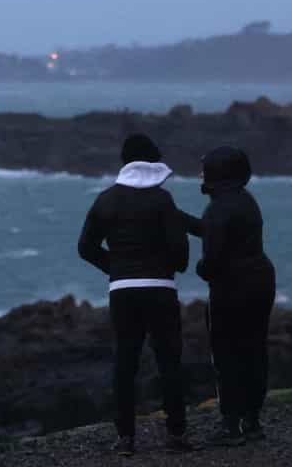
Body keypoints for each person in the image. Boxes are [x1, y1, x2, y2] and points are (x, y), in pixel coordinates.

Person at [77, 133, 195, 456]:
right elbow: (179, 248)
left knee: (125, 364)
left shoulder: (106, 200)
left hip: (123, 291)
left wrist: (115, 268)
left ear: (124, 161)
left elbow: (85, 248)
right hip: (160, 289)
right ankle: (176, 434)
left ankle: (126, 438)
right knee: (169, 362)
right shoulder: (163, 201)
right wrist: (172, 267)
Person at [182, 147, 275, 447]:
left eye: (205, 169)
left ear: (218, 174)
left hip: (231, 288)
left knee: (226, 356)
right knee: (254, 352)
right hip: (260, 281)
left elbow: (213, 261)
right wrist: (181, 220)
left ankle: (230, 426)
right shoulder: (245, 201)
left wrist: (198, 267)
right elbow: (219, 233)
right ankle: (252, 422)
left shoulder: (217, 208)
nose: (201, 174)